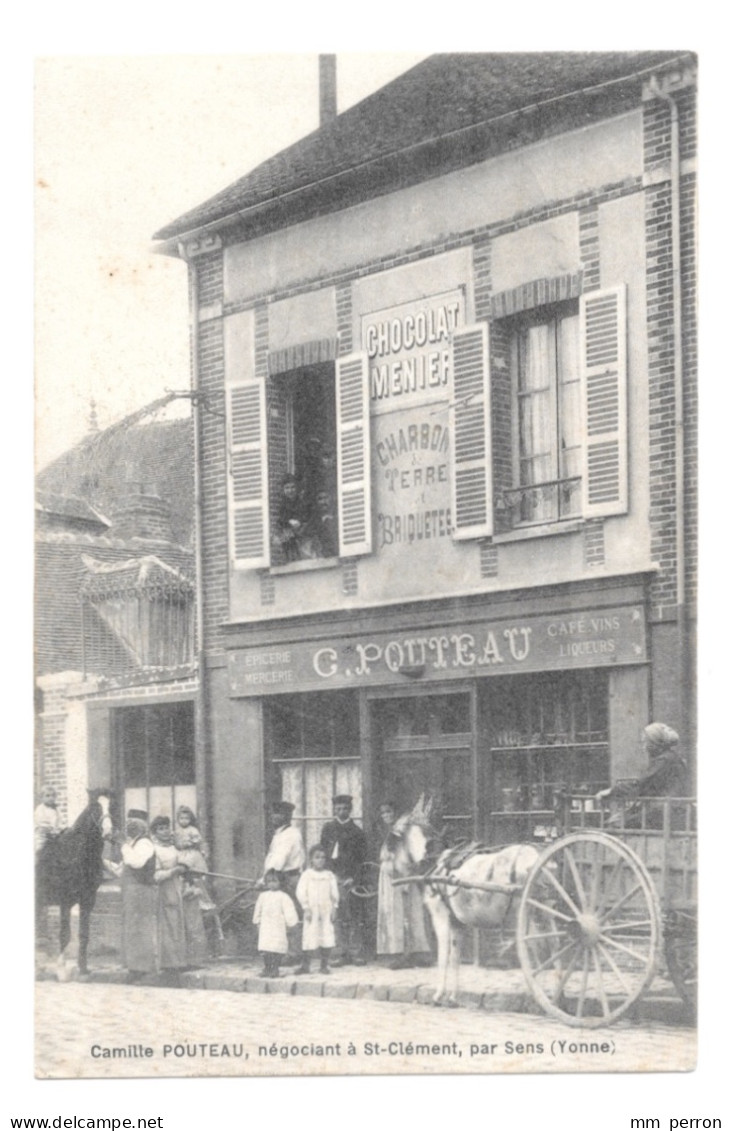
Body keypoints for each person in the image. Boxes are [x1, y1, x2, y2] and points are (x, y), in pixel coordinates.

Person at [596, 722, 689, 827]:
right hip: (672, 811)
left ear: (655, 743)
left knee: (615, 824)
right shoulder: (671, 758)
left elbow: (641, 786)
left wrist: (611, 792)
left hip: (665, 812)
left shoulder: (664, 760)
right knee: (619, 819)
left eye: (645, 742)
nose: (643, 747)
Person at [376, 801, 431, 970]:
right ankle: (396, 951)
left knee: (412, 912)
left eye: (389, 812)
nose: (386, 816)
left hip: (406, 874)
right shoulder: (384, 832)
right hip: (389, 876)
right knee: (393, 913)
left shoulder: (407, 830)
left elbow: (416, 852)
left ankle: (416, 951)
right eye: (383, 813)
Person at [320, 794, 368, 966]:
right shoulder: (327, 829)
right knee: (336, 915)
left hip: (349, 879)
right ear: (334, 809)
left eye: (345, 809)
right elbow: (323, 854)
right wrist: (326, 875)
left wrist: (354, 878)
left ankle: (355, 952)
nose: (342, 812)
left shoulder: (357, 832)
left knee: (353, 915)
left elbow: (361, 860)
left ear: (350, 810)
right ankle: (339, 952)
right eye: (338, 809)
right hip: (332, 877)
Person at [115, 810, 158, 983]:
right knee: (132, 927)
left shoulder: (144, 843)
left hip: (140, 890)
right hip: (131, 889)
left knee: (140, 928)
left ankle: (142, 968)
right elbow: (123, 867)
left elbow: (136, 862)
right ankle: (134, 966)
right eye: (128, 823)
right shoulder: (133, 844)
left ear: (140, 827)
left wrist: (122, 845)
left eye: (132, 824)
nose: (128, 826)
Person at [175, 805, 224, 956]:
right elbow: (176, 843)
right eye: (181, 818)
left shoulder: (193, 831)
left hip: (191, 855)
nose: (184, 821)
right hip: (181, 854)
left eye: (187, 818)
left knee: (198, 887)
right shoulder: (176, 831)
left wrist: (190, 844)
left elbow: (197, 841)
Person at [150, 814, 190, 982]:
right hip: (162, 891)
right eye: (161, 829)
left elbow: (182, 861)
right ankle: (167, 963)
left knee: (177, 924)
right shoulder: (154, 850)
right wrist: (173, 872)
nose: (165, 831)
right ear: (155, 832)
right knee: (166, 925)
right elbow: (155, 875)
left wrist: (184, 866)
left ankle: (178, 961)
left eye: (166, 827)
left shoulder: (173, 847)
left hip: (176, 888)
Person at [295, 845, 339, 974]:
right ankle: (305, 965)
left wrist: (334, 908)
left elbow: (334, 893)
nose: (320, 860)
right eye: (317, 857)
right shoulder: (307, 875)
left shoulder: (329, 875)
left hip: (326, 909)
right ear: (311, 860)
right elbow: (301, 892)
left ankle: (324, 965)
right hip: (312, 910)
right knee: (309, 935)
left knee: (326, 934)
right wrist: (306, 907)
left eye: (323, 857)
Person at [252, 869, 298, 977]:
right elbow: (258, 909)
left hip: (278, 927)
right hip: (266, 927)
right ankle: (267, 968)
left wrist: (290, 923)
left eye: (275, 881)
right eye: (269, 881)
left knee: (276, 948)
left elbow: (289, 911)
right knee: (266, 948)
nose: (271, 884)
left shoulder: (283, 897)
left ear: (280, 882)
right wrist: (257, 921)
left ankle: (275, 969)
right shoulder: (263, 896)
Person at [276, 475, 307, 562]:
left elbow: (306, 517)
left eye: (293, 487)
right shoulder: (282, 506)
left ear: (297, 488)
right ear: (283, 490)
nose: (290, 490)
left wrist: (300, 522)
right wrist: (289, 522)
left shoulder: (302, 503)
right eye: (287, 488)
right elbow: (281, 520)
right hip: (289, 536)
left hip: (302, 534)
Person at [34, 785, 61, 855]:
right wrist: (48, 829)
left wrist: (58, 829)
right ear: (42, 798)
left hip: (54, 835)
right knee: (41, 850)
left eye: (53, 796)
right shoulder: (40, 809)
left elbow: (58, 822)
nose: (51, 798)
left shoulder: (56, 809)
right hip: (43, 836)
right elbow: (40, 824)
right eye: (47, 796)